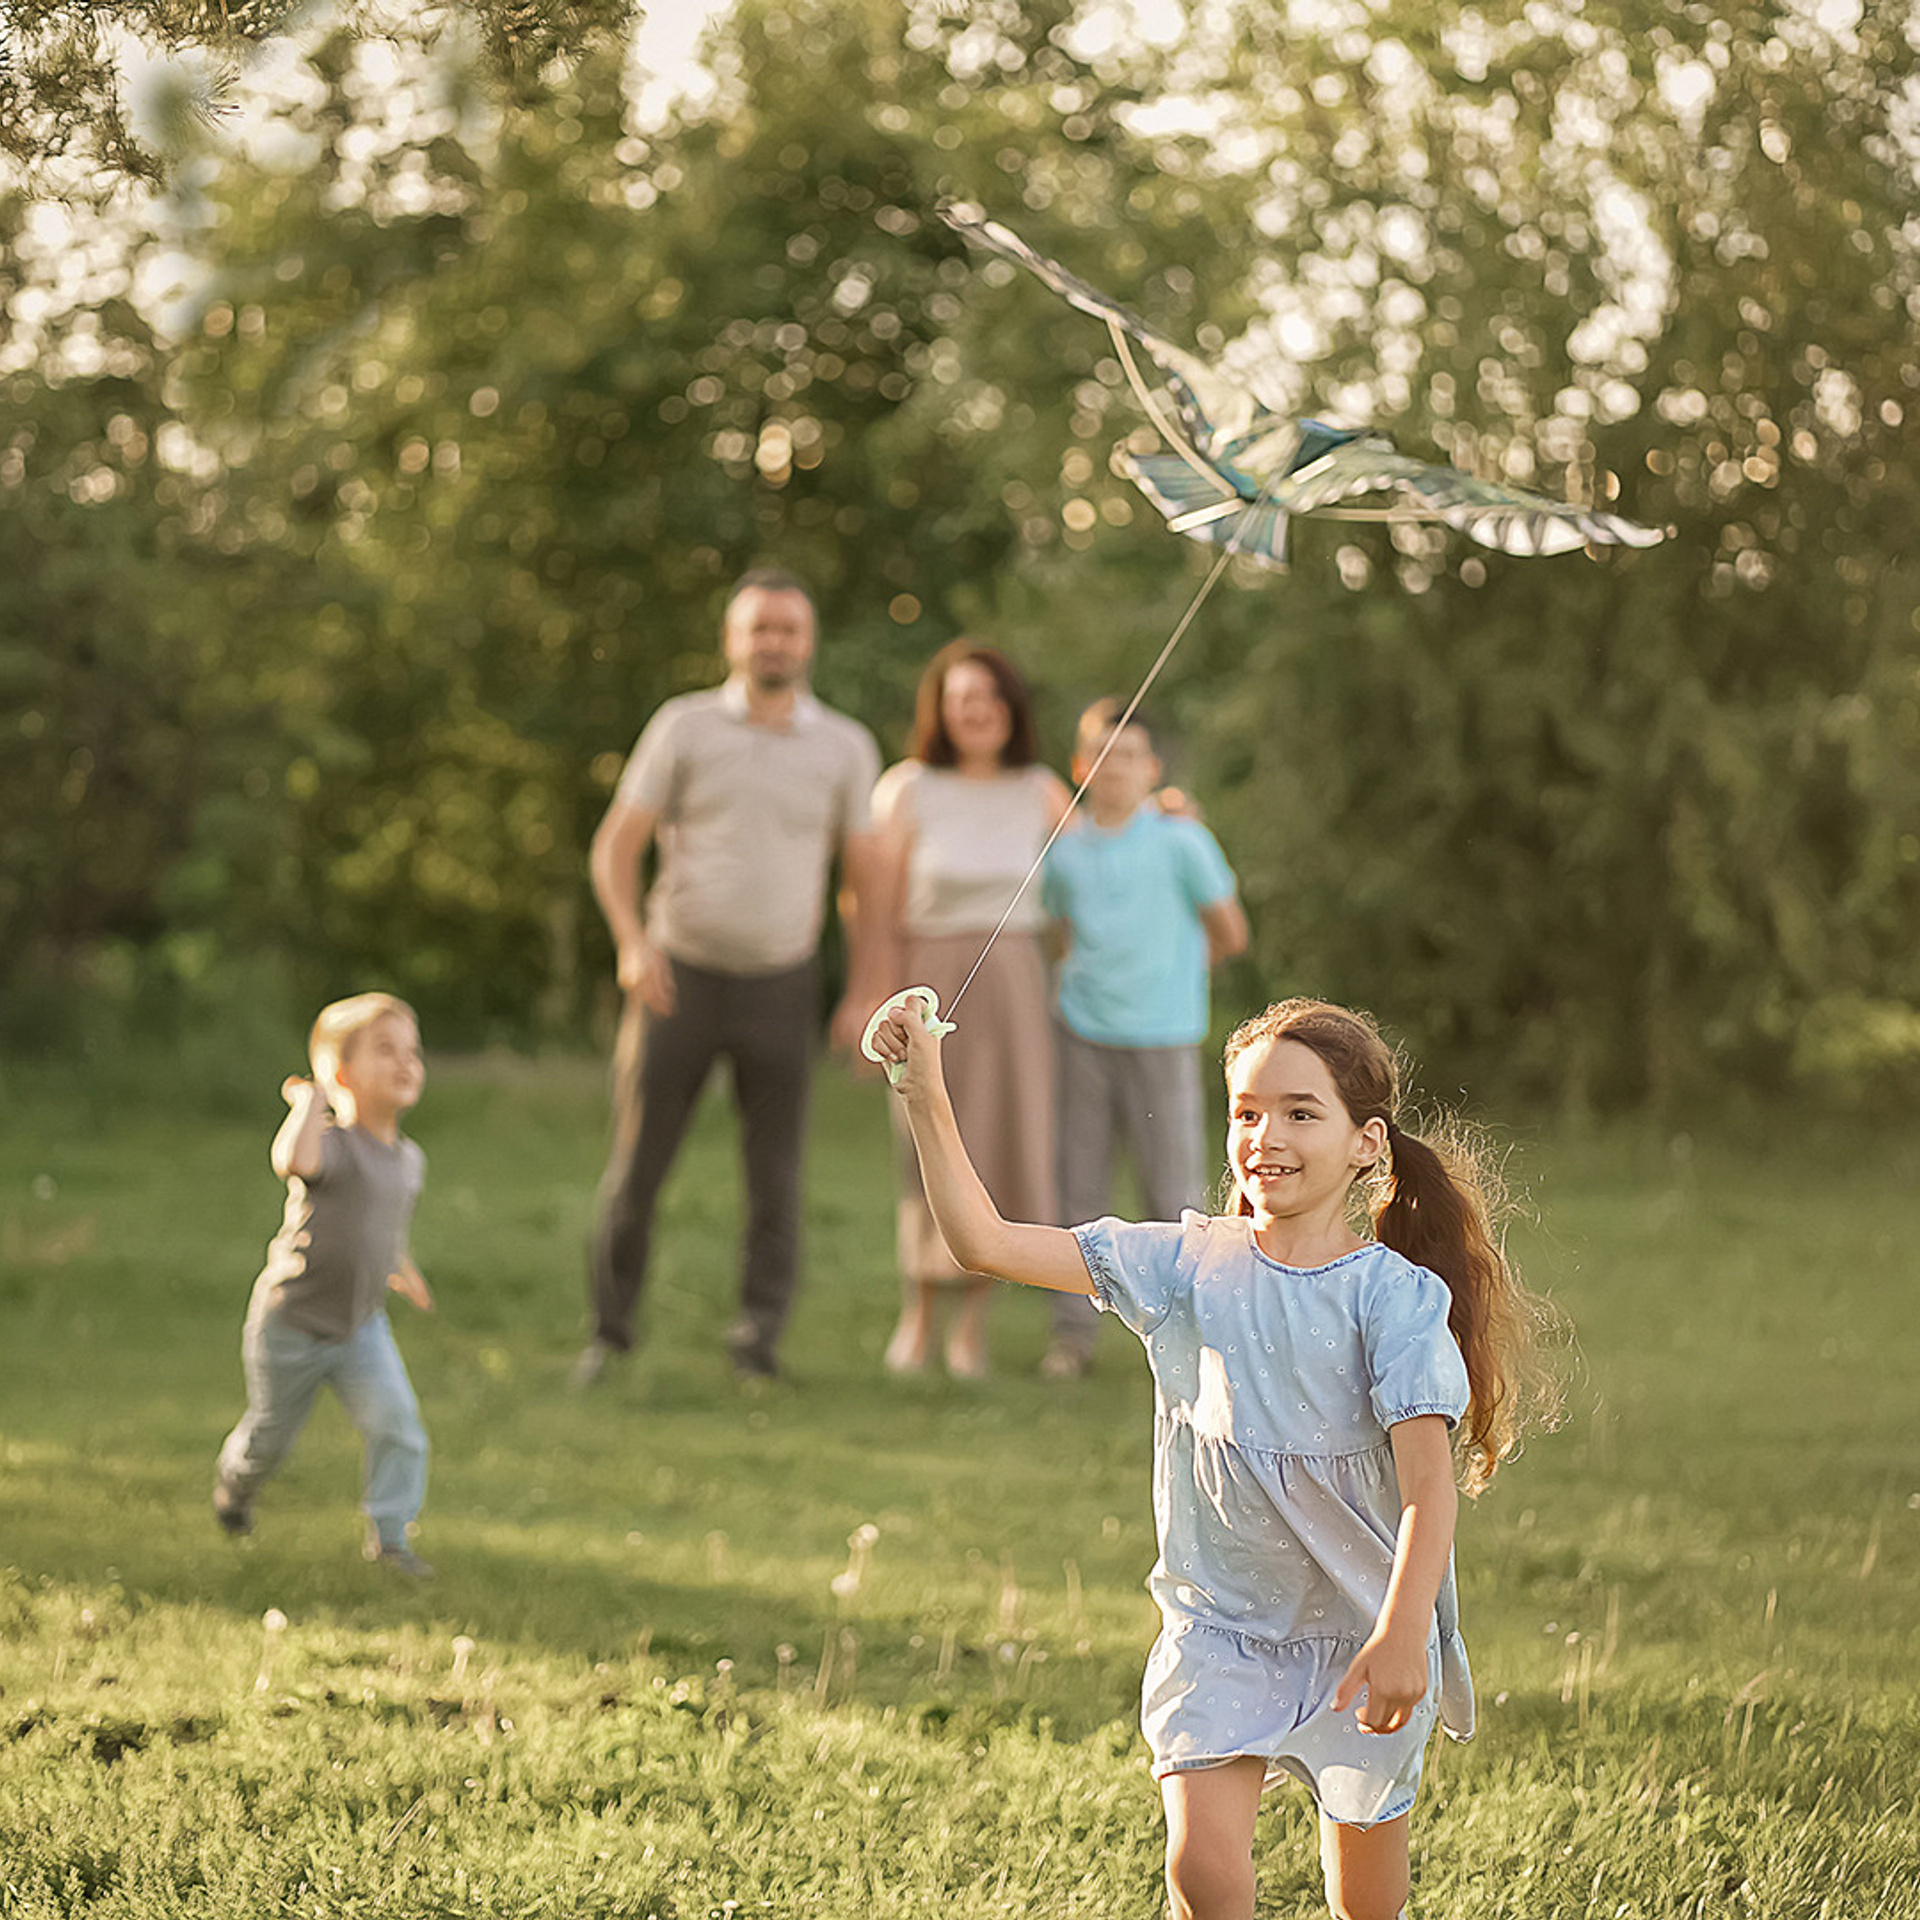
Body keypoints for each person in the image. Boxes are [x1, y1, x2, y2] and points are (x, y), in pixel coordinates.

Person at [869, 994, 1556, 1920]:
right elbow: (984, 1242)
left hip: (1361, 1627)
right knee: (1202, 1870)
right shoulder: (1188, 1264)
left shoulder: (1393, 1300)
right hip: (1221, 1625)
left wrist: (1402, 1634)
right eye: (1246, 1111)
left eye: (1301, 1113)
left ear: (1367, 1143)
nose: (1265, 1135)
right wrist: (923, 1092)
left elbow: (1430, 1491)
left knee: (1367, 1905)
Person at [577, 570, 887, 1385]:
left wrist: (862, 991)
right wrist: (632, 943)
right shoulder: (683, 727)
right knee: (638, 1167)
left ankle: (757, 1340)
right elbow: (616, 846)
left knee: (776, 1180)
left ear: (808, 641)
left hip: (781, 984)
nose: (773, 642)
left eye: (787, 629)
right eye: (759, 629)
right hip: (675, 980)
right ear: (732, 638)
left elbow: (866, 882)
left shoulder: (845, 746)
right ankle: (608, 1336)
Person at [869, 640, 1071, 1379]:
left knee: (998, 1143)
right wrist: (874, 990)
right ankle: (917, 1312)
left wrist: (1167, 812)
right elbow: (875, 900)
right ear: (942, 711)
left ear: (1009, 706)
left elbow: (1097, 868)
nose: (976, 712)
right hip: (926, 974)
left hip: (1014, 979)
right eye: (962, 700)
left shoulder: (1041, 789)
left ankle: (972, 1327)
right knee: (920, 1138)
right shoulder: (907, 787)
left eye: (988, 697)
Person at [1038, 700, 1249, 1378]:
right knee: (1079, 1188)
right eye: (1101, 755)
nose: (1114, 769)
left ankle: (1192, 1341)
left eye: (1129, 756)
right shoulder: (1064, 853)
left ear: (1152, 769)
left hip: (1163, 1037)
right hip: (1081, 1034)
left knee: (1174, 1194)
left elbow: (1230, 932)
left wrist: (1172, 976)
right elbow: (1056, 932)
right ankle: (1072, 1338)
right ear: (1081, 766)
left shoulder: (1183, 841)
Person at [213, 992, 436, 1578]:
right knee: (270, 1436)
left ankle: (390, 1539)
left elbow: (384, 1230)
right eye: (385, 1051)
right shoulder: (332, 1144)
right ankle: (235, 1486)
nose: (405, 1062)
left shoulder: (410, 1160)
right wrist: (310, 1101)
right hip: (290, 1326)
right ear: (341, 1073)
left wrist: (401, 1269)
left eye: (412, 1051)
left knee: (400, 1428)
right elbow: (292, 1160)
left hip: (362, 1328)